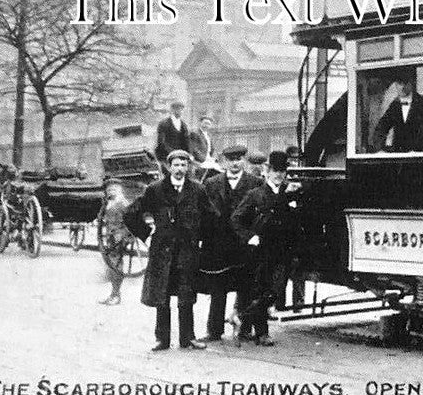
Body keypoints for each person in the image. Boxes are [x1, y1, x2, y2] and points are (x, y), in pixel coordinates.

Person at [122, 149, 212, 351]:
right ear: (169, 167)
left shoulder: (197, 190)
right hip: (162, 251)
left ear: (188, 167)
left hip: (187, 251)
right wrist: (147, 234)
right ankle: (162, 339)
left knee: (186, 295)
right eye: (176, 165)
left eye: (183, 165)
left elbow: (210, 217)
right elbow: (131, 213)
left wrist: (200, 239)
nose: (180, 169)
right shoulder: (155, 189)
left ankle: (188, 338)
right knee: (161, 295)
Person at [232, 151, 302, 347]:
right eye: (275, 171)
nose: (279, 175)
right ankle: (261, 333)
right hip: (262, 250)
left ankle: (242, 318)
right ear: (267, 172)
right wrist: (250, 237)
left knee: (275, 292)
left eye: (282, 171)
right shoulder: (256, 194)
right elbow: (236, 219)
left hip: (284, 249)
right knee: (262, 289)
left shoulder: (292, 191)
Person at [200, 148, 263, 342]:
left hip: (244, 245)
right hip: (218, 244)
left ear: (244, 161)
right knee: (217, 287)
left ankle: (244, 329)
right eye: (231, 160)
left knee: (246, 285)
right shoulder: (211, 183)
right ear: (224, 162)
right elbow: (203, 212)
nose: (235, 163)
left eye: (239, 159)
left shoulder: (255, 183)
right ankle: (214, 331)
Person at [370, 79, 423, 152]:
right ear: (395, 85)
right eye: (399, 83)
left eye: (405, 83)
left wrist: (417, 150)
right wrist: (380, 149)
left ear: (411, 84)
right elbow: (381, 127)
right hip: (401, 155)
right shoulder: (395, 105)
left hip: (422, 154)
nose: (402, 87)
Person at [155, 101, 190, 167]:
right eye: (177, 109)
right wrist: (172, 153)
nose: (180, 111)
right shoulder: (164, 123)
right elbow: (161, 142)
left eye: (181, 109)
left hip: (180, 155)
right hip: (166, 155)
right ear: (172, 110)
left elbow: (186, 141)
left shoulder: (183, 124)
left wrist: (187, 154)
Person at [188, 113, 219, 178]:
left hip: (209, 160)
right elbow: (194, 149)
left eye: (208, 124)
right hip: (199, 160)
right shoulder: (195, 133)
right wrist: (204, 159)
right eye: (205, 123)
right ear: (200, 123)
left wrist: (213, 158)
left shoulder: (209, 135)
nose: (206, 125)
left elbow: (213, 149)